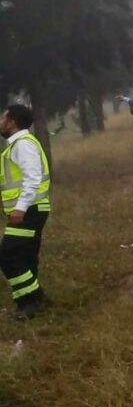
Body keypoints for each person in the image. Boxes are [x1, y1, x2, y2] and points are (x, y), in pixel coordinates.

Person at [0, 105, 51, 320]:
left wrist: (20, 208)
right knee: (27, 256)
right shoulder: (18, 145)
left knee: (8, 255)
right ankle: (37, 299)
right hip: (32, 209)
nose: (1, 122)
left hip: (29, 210)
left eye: (3, 118)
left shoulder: (23, 145)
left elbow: (32, 179)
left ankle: (28, 301)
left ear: (12, 122)